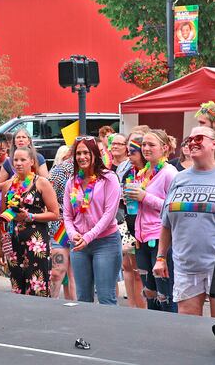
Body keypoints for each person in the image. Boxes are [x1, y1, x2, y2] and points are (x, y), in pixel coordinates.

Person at [154, 126, 215, 317]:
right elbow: (166, 223)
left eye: (199, 138)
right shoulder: (179, 178)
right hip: (185, 265)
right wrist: (160, 257)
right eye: (189, 139)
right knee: (188, 327)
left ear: (214, 144)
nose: (192, 142)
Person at [64, 137, 123, 305]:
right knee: (83, 298)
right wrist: (73, 234)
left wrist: (88, 237)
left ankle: (109, 331)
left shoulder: (109, 178)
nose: (82, 157)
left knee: (106, 297)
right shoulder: (72, 182)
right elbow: (67, 215)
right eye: (78, 153)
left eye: (86, 153)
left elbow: (109, 214)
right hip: (78, 244)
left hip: (106, 242)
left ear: (95, 155)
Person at [126, 129, 179, 312]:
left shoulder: (169, 172)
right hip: (142, 238)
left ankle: (170, 331)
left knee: (164, 293)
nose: (146, 148)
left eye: (151, 145)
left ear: (164, 148)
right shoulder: (143, 172)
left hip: (159, 237)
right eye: (144, 145)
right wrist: (131, 200)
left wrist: (144, 197)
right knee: (150, 292)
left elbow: (172, 206)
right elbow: (142, 203)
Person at [0, 146, 59, 296]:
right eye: (15, 160)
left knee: (38, 286)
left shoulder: (41, 183)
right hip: (14, 241)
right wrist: (1, 245)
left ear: (31, 161)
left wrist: (31, 216)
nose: (18, 163)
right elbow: (4, 217)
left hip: (36, 242)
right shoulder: (8, 185)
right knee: (17, 285)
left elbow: (55, 214)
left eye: (23, 160)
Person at [117, 131, 148, 308]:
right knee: (127, 266)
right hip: (127, 222)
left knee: (139, 271)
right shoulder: (129, 170)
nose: (129, 156)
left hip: (143, 226)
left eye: (132, 152)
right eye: (128, 152)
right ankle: (132, 307)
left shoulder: (150, 172)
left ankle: (142, 308)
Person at [48, 145, 76, 300]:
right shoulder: (60, 170)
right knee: (57, 271)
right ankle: (50, 307)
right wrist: (56, 211)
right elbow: (45, 193)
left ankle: (78, 312)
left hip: (84, 229)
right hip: (60, 229)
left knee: (76, 274)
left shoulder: (96, 172)